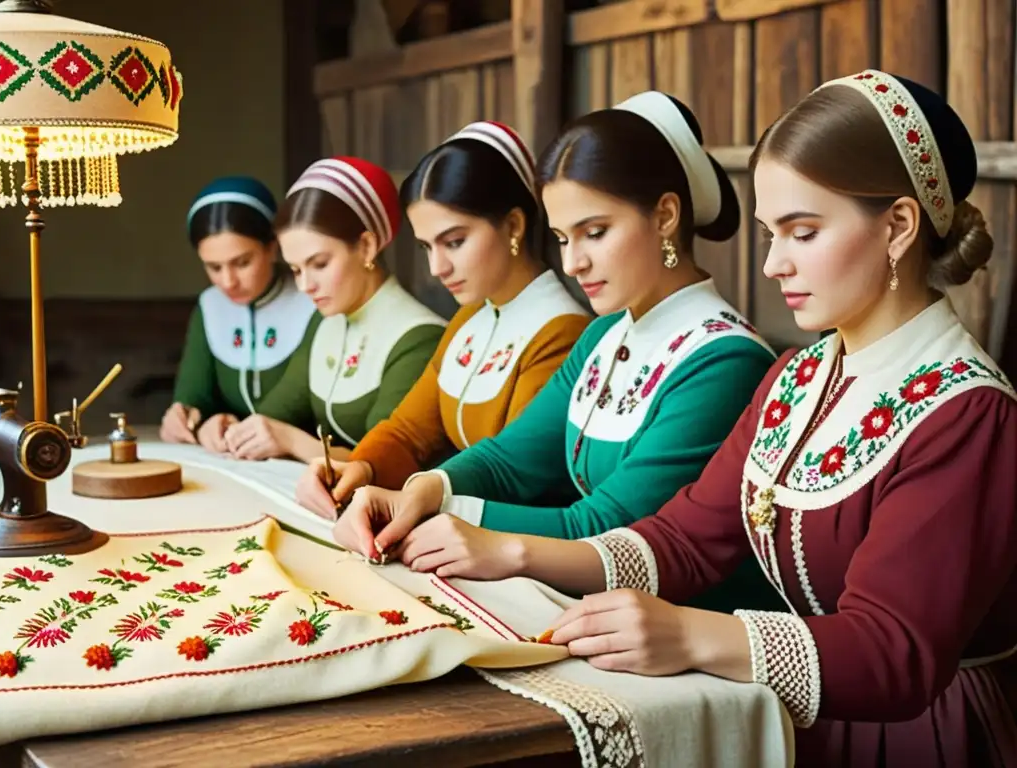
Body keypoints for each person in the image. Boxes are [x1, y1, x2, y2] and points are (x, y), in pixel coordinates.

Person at [375, 71, 1017, 766]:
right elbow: (685, 538)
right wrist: (509, 550)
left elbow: (896, 655)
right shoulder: (798, 376)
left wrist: (692, 635)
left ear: (897, 226)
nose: (772, 264)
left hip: (920, 738)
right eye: (772, 233)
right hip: (790, 713)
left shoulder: (966, 410)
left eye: (803, 232)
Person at [332, 91, 785, 614]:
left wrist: (463, 521)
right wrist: (426, 489)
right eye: (563, 238)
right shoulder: (602, 336)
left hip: (688, 624)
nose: (573, 263)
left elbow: (604, 523)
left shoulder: (724, 360)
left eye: (595, 232)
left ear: (664, 216)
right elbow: (509, 460)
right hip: (602, 603)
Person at [294, 121, 591, 513]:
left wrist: (413, 497)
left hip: (509, 534)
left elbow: (513, 472)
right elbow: (408, 431)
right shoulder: (469, 319)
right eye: (425, 246)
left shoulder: (563, 331)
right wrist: (360, 467)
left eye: (454, 242)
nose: (437, 267)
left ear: (514, 225)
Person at [218, 157, 446, 463]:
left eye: (320, 264)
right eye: (296, 270)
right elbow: (275, 415)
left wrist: (291, 441)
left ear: (366, 247)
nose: (305, 285)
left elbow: (382, 463)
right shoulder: (326, 322)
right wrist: (222, 428)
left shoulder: (420, 338)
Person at [160, 176, 315, 448]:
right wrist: (186, 417)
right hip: (234, 458)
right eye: (214, 267)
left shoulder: (313, 300)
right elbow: (195, 395)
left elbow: (296, 404)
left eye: (242, 263)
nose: (228, 282)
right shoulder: (210, 305)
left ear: (272, 246)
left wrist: (227, 429)